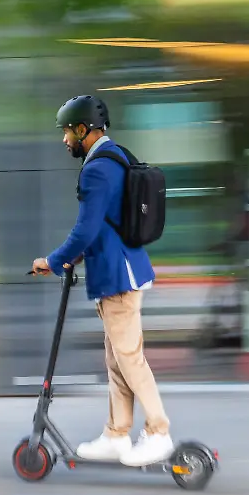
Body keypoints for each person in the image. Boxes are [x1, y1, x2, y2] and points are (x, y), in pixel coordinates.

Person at [31, 94, 174, 467]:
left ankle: (158, 431)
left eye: (67, 132)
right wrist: (69, 258)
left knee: (129, 358)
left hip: (117, 276)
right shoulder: (116, 156)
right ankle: (116, 433)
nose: (65, 140)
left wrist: (54, 260)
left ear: (83, 130)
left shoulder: (97, 169)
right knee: (117, 359)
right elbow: (103, 224)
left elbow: (86, 229)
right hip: (122, 269)